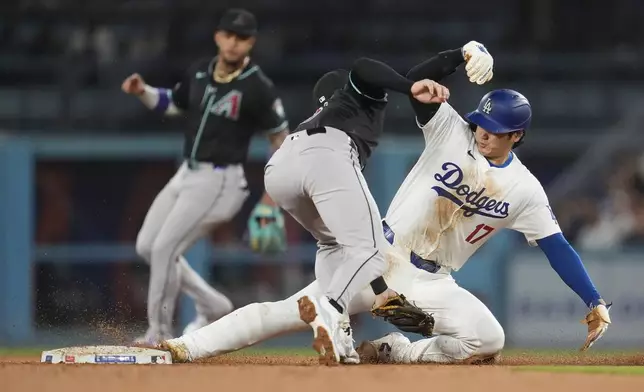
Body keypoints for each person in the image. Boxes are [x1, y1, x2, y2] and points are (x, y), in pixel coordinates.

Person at [158, 40, 611, 365]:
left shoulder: (526, 190)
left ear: (518, 135)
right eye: (481, 122)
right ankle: (188, 346)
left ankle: (398, 351)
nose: (483, 130)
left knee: (488, 340)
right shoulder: (451, 131)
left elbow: (557, 247)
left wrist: (593, 300)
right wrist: (461, 54)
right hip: (381, 258)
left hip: (435, 282)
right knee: (291, 311)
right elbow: (414, 83)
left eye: (495, 128)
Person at [120, 8, 290, 345]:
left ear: (251, 43)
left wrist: (271, 197)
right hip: (188, 172)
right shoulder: (200, 71)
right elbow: (173, 103)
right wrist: (143, 91)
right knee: (146, 246)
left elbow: (281, 140)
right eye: (228, 34)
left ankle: (159, 333)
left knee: (165, 248)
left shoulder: (258, 87)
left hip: (221, 180)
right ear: (218, 36)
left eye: (241, 37)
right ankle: (213, 303)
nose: (233, 42)